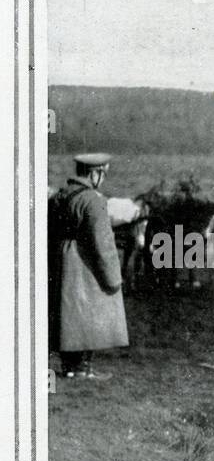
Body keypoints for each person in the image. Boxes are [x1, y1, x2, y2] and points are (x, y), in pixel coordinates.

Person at [48, 153, 129, 380]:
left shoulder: (59, 196)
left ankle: (70, 366)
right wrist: (114, 277)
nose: (102, 179)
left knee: (66, 313)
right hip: (84, 261)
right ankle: (83, 368)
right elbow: (102, 242)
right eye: (102, 174)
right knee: (88, 313)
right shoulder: (93, 200)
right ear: (94, 173)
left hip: (59, 258)